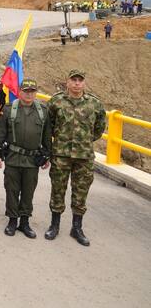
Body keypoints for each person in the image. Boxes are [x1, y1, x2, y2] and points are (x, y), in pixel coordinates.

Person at [45, 70, 106, 247]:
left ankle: (77, 228)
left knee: (81, 192)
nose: (77, 83)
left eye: (80, 80)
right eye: (74, 80)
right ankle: (54, 225)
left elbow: (99, 129)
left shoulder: (94, 103)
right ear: (68, 82)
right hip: (61, 155)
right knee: (58, 190)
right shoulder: (56, 101)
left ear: (84, 83)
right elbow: (49, 125)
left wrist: (83, 141)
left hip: (84, 156)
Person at [0, 78, 51, 238]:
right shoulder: (9, 109)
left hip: (32, 160)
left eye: (32, 91)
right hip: (13, 158)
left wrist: (47, 155)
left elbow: (47, 135)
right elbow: (0, 133)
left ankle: (24, 222)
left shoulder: (43, 111)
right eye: (26, 91)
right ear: (20, 92)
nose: (29, 94)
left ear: (36, 93)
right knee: (11, 190)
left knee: (28, 192)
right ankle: (12, 221)